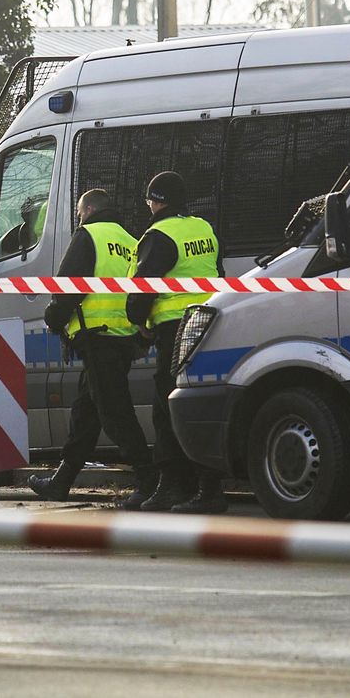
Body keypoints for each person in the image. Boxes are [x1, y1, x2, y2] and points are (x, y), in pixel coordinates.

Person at [33, 189, 157, 509]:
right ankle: (61, 481)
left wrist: (53, 318)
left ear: (87, 210)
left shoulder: (88, 235)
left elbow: (68, 288)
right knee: (86, 414)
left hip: (98, 337)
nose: (78, 218)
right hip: (124, 339)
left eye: (78, 213)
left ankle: (149, 480)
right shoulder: (131, 240)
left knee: (115, 414)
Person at [126, 171, 227, 514]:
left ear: (158, 201)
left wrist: (139, 322)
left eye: (149, 200)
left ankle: (171, 487)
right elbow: (220, 274)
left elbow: (143, 286)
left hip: (175, 328)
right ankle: (209, 488)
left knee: (166, 404)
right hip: (210, 322)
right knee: (200, 403)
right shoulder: (203, 228)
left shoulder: (159, 234)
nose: (148, 206)